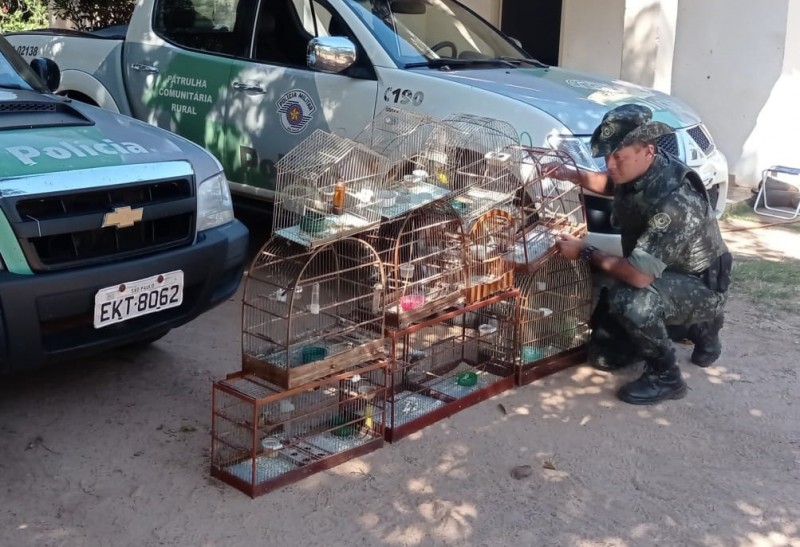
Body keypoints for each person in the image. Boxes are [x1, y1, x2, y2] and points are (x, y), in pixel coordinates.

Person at [554, 104, 732, 405]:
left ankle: (667, 376)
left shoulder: (674, 201)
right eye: (607, 156)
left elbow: (638, 276)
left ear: (648, 150)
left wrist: (585, 251)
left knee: (629, 298)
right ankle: (693, 326)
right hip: (669, 272)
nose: (610, 164)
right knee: (604, 357)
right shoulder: (640, 169)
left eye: (618, 157)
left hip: (699, 281)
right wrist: (568, 173)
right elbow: (610, 184)